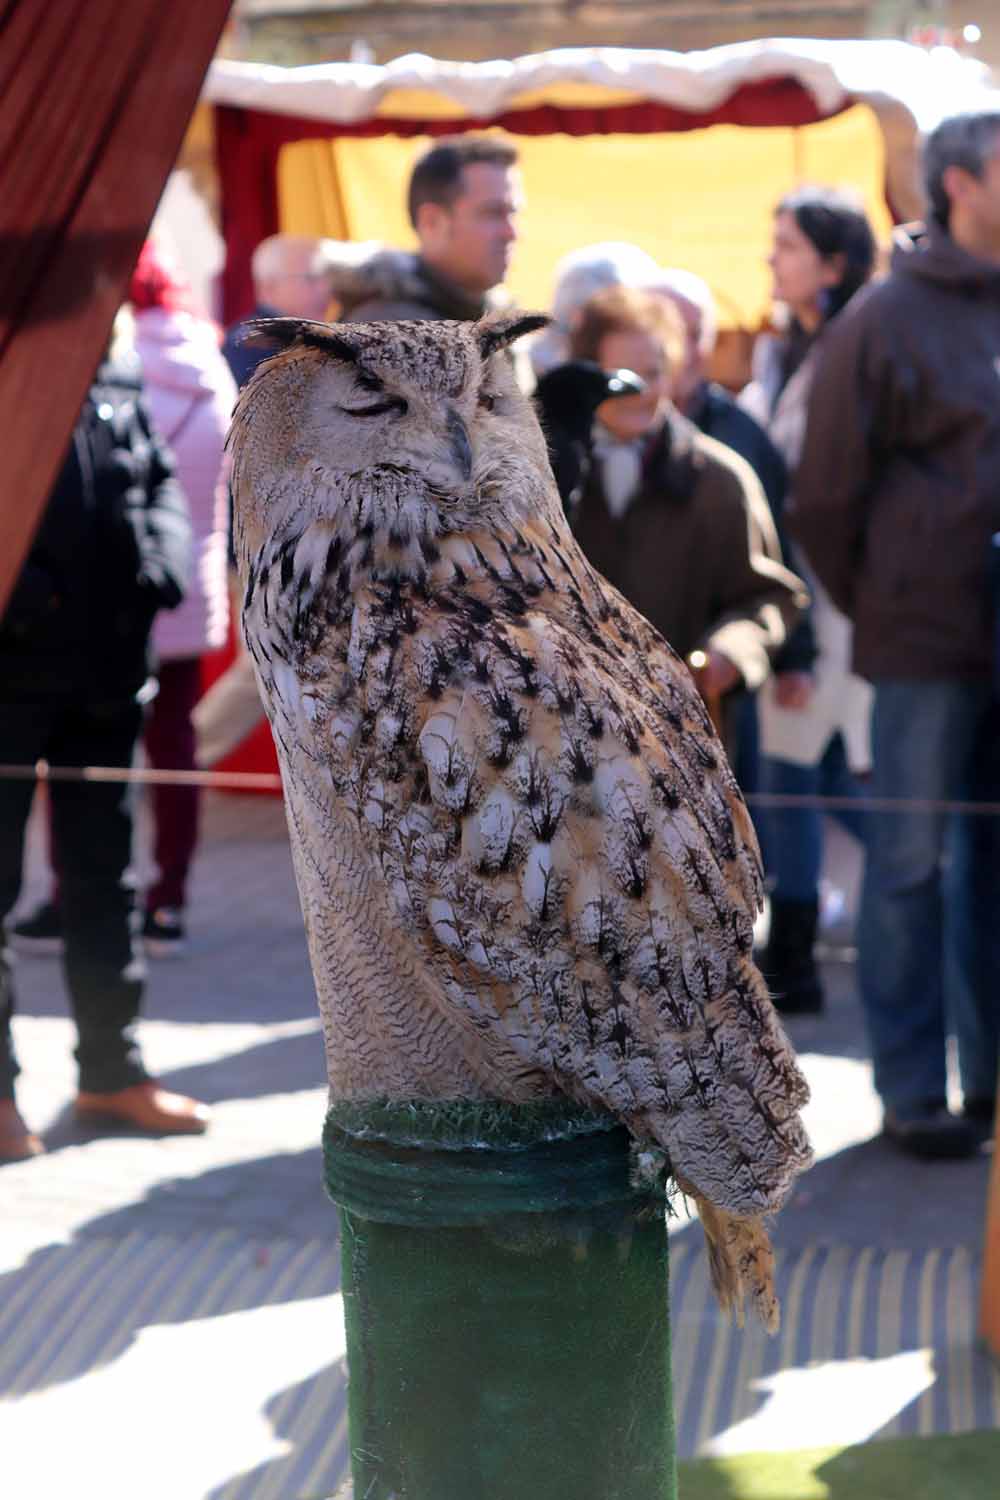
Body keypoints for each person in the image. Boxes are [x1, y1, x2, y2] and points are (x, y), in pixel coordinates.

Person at [792, 112, 1000, 1157]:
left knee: (993, 867)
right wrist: (890, 602)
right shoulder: (882, 317)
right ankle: (913, 1094)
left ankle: (993, 1088)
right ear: (958, 183)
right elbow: (823, 496)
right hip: (924, 643)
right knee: (910, 864)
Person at [0, 323, 210, 1160]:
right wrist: (30, 597)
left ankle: (112, 1071)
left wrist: (161, 566)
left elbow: (157, 477)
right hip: (10, 668)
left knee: (105, 880)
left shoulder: (112, 359)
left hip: (108, 668)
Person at [11, 244, 236, 959]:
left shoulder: (113, 363)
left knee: (90, 777)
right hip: (173, 583)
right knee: (173, 749)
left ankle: (74, 903)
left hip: (110, 605)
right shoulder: (207, 361)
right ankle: (169, 899)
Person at [738, 188, 878, 1015]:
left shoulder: (855, 346)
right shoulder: (786, 348)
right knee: (810, 771)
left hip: (832, 600)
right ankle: (795, 953)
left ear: (832, 263)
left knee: (806, 772)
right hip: (798, 594)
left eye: (788, 245)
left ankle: (798, 958)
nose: (771, 258)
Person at [567, 286, 807, 756]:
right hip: (565, 736)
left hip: (682, 743)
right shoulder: (544, 476)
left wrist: (728, 653)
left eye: (653, 373)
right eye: (621, 377)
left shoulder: (720, 480)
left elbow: (767, 597)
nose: (639, 391)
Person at [339, 135, 522, 324]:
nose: (512, 234)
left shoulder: (500, 318)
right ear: (431, 222)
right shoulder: (385, 329)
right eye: (492, 213)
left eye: (513, 213)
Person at [222, 234, 335, 388]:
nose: (325, 288)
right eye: (311, 278)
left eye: (328, 277)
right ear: (269, 287)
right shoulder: (251, 345)